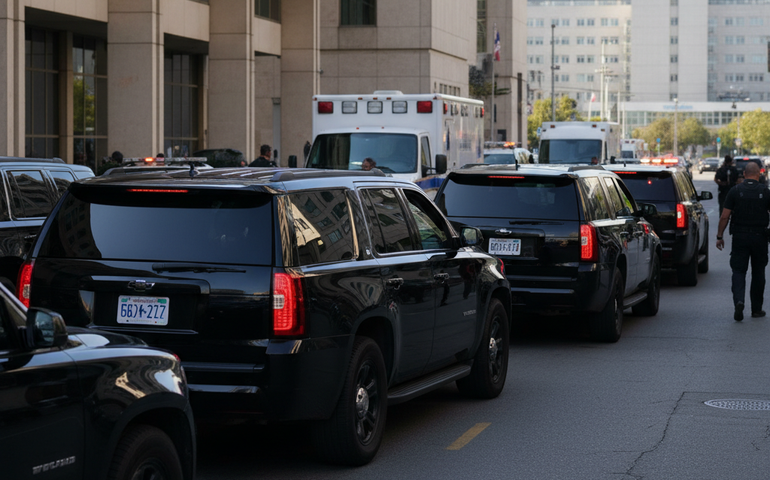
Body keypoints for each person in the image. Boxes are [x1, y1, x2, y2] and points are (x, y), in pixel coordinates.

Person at [716, 162, 770, 321]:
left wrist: (720, 236)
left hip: (740, 237)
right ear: (758, 174)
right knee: (759, 272)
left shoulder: (735, 191)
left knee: (739, 271)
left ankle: (739, 301)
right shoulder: (766, 192)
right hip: (760, 238)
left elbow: (725, 216)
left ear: (744, 174)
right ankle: (756, 309)